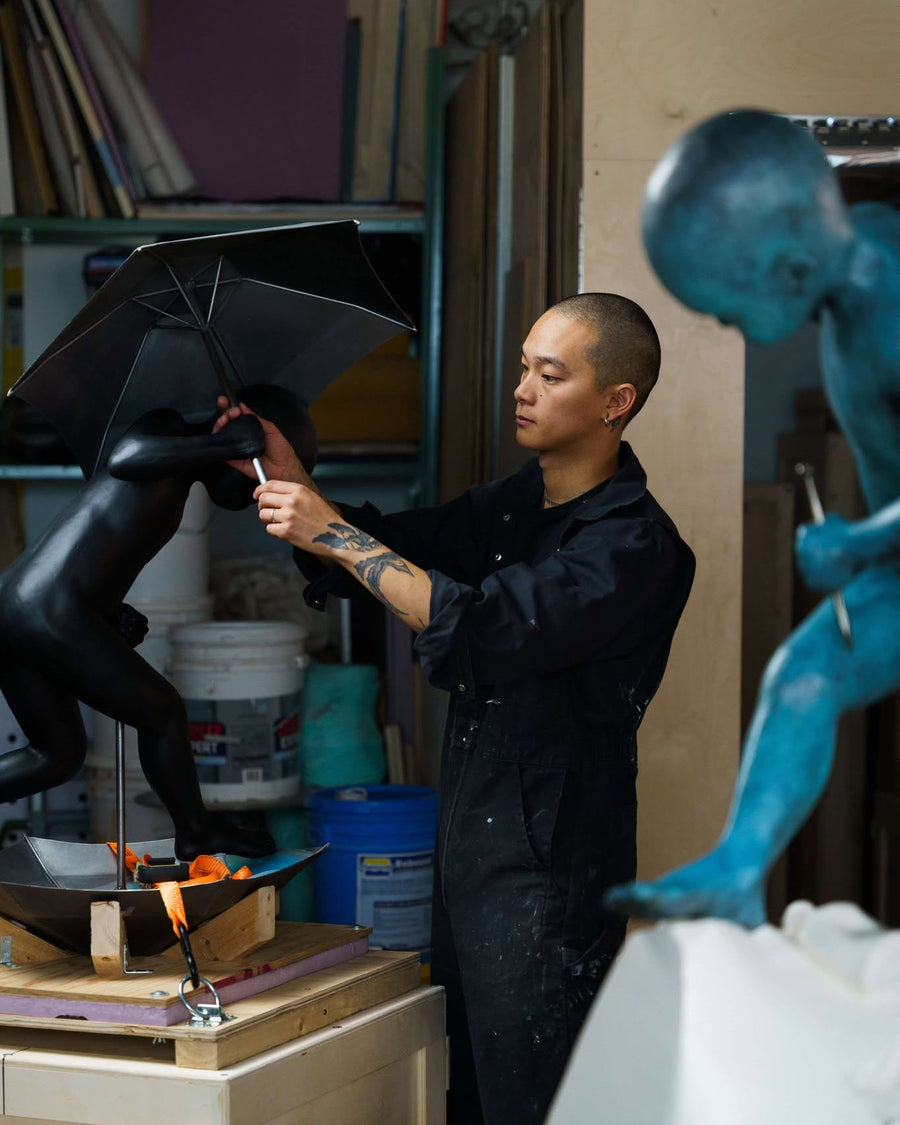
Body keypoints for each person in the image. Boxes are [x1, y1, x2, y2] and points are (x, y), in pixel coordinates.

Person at [217, 293, 695, 1125]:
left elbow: (477, 626)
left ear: (616, 402)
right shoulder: (513, 506)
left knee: (535, 1101)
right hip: (472, 853)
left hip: (554, 873)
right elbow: (398, 552)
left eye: (551, 374)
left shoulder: (635, 547)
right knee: (467, 1092)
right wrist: (295, 485)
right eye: (523, 368)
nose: (523, 389)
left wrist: (329, 532)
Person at [604, 109, 900, 929]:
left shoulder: (894, 308)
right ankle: (738, 868)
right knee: (804, 676)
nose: (733, 331)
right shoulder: (859, 250)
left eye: (730, 315)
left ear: (794, 271)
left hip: (887, 553)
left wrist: (860, 539)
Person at [0, 385, 315, 860]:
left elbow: (98, 546)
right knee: (163, 712)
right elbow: (125, 457)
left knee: (57, 756)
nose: (258, 490)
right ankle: (196, 834)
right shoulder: (163, 426)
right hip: (50, 607)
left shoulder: (177, 480)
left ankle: (196, 832)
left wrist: (112, 615)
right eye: (263, 472)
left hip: (31, 604)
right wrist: (224, 445)